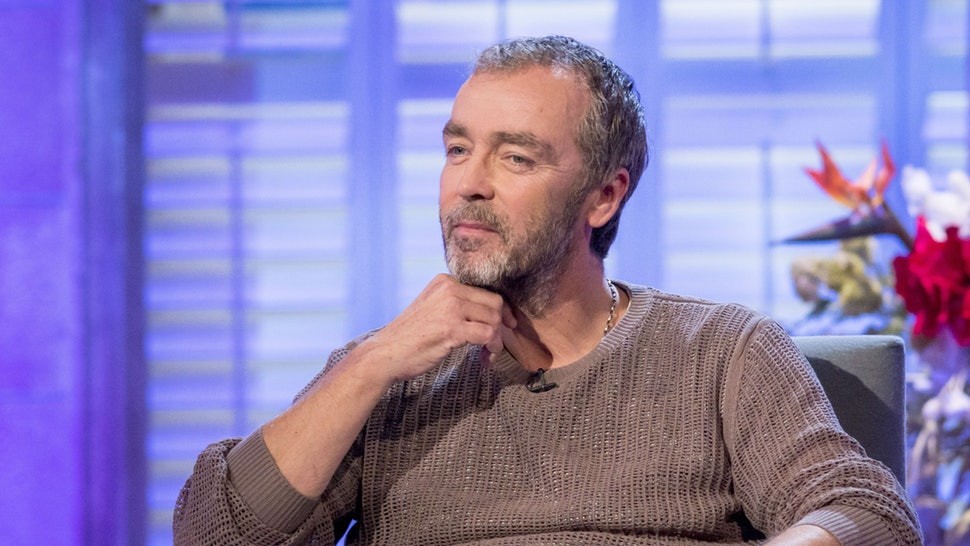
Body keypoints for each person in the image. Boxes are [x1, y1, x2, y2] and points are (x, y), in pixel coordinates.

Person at [173, 35, 921, 545]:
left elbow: (867, 514)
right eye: (457, 149)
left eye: (516, 158)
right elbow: (215, 534)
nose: (468, 184)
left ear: (604, 196)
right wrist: (371, 364)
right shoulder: (388, 374)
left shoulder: (721, 352)